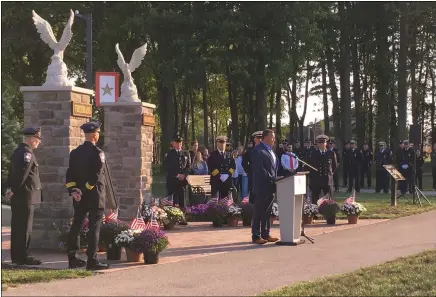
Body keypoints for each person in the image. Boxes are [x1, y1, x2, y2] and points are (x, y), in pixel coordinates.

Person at [65, 122, 108, 270]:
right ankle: (92, 261)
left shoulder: (75, 152)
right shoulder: (98, 153)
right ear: (95, 135)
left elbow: (69, 174)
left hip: (79, 197)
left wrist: (73, 191)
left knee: (76, 225)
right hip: (94, 195)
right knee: (94, 228)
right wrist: (84, 190)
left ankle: (73, 259)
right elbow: (95, 176)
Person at [5, 127, 43, 265]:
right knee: (25, 227)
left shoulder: (18, 151)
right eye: (38, 139)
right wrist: (13, 189)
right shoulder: (27, 153)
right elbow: (22, 173)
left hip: (19, 195)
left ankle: (17, 256)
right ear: (31, 138)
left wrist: (9, 189)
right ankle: (23, 256)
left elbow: (12, 173)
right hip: (25, 194)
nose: (39, 142)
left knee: (17, 226)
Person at [251, 129, 279, 244]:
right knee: (259, 211)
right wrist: (272, 178)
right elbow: (259, 169)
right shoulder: (258, 150)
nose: (274, 139)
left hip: (271, 186)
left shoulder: (272, 151)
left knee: (267, 211)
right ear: (265, 137)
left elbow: (275, 168)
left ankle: (266, 234)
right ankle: (256, 235)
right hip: (261, 186)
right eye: (272, 137)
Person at [308, 135, 338, 204]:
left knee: (328, 198)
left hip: (327, 179)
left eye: (323, 142)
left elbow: (334, 166)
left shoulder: (331, 153)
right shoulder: (313, 154)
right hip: (316, 179)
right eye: (320, 143)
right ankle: (314, 212)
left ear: (326, 143)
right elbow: (309, 166)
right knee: (315, 198)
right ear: (317, 144)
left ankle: (328, 212)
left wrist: (330, 174)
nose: (322, 144)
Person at [164, 135, 190, 211]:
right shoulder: (169, 153)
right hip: (173, 180)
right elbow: (168, 167)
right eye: (177, 142)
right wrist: (177, 175)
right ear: (173, 143)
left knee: (182, 200)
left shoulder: (185, 153)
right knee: (172, 201)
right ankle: (172, 218)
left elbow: (188, 167)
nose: (179, 144)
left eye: (180, 142)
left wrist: (184, 175)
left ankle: (182, 216)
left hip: (182, 181)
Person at [242, 131, 263, 204]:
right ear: (254, 139)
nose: (260, 139)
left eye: (261, 138)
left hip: (262, 176)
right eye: (258, 138)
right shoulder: (250, 150)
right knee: (253, 193)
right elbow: (244, 162)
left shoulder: (265, 150)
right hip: (253, 175)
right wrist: (248, 171)